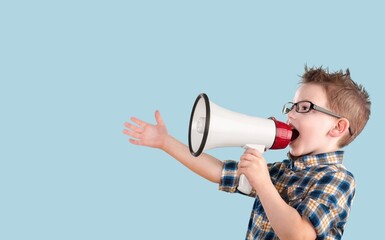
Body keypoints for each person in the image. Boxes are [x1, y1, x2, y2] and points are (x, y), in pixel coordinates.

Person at [122, 66, 371, 240]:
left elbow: (299, 235)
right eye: (291, 106)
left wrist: (263, 183)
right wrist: (166, 142)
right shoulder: (280, 172)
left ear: (338, 127)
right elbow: (220, 172)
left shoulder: (338, 179)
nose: (290, 114)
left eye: (305, 108)